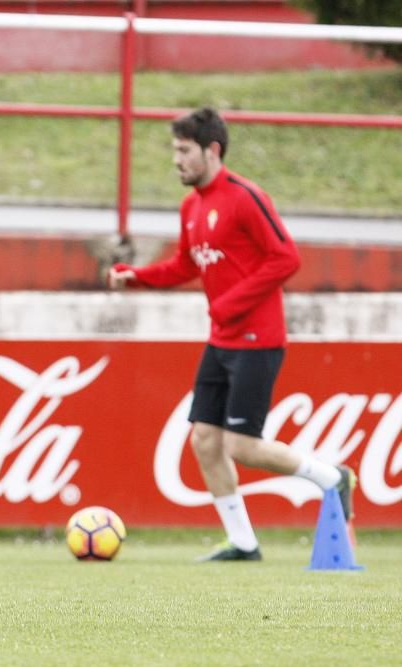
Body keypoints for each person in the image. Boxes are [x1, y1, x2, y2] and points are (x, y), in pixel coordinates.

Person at [108, 107, 355, 561]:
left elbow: (285, 258)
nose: (176, 160)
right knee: (204, 440)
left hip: (258, 340)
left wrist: (231, 304)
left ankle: (330, 477)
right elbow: (185, 264)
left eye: (184, 151)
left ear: (212, 150)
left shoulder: (245, 197)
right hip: (220, 340)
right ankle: (243, 541)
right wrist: (136, 276)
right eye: (175, 150)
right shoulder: (191, 205)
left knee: (242, 446)